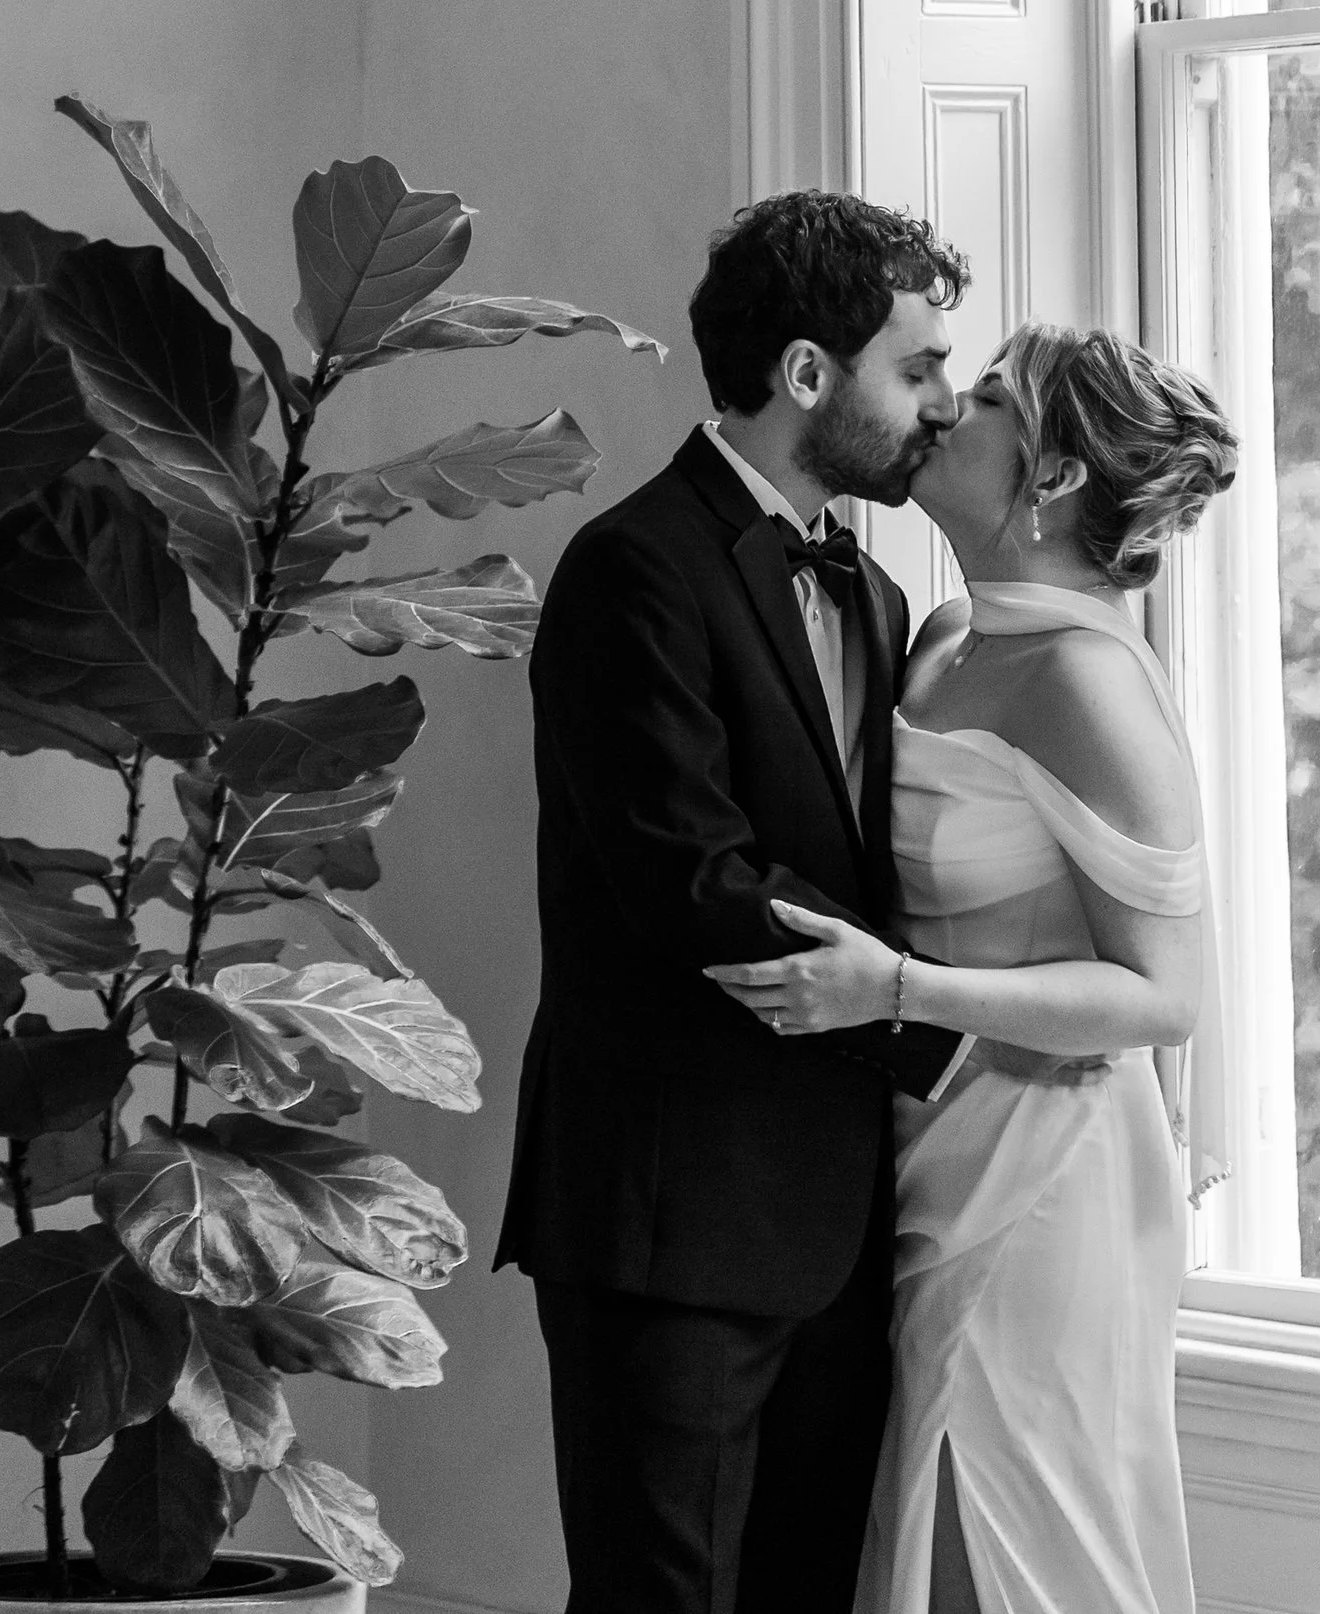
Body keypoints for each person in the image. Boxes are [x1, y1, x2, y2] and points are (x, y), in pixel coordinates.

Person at [709, 318, 1239, 1614]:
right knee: (919, 1527)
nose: (949, 401)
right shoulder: (940, 632)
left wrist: (898, 990)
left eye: (991, 392)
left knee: (1008, 1537)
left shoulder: (1089, 683)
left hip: (1050, 1181)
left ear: (1051, 474)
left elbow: (1165, 997)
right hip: (923, 1148)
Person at [495, 189, 968, 1614]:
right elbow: (685, 879)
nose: (943, 401)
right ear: (808, 373)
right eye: (919, 366)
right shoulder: (632, 569)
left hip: (837, 1222)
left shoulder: (878, 599)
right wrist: (941, 1030)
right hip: (670, 1214)